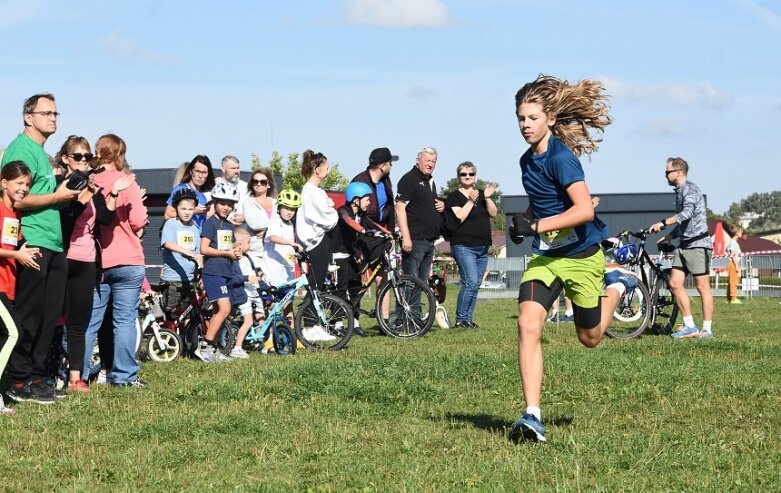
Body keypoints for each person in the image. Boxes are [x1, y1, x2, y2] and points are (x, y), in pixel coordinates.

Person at [507, 75, 635, 443]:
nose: (525, 125)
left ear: (549, 118)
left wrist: (537, 226)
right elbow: (541, 201)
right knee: (527, 324)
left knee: (590, 337)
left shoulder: (563, 159)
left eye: (532, 118)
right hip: (547, 259)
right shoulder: (525, 161)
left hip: (581, 256)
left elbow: (582, 209)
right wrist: (525, 223)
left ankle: (615, 288)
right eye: (520, 118)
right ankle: (532, 416)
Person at [2, 93, 80, 404]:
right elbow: (17, 198)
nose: (53, 118)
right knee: (30, 315)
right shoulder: (20, 149)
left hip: (53, 240)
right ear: (28, 117)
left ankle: (36, 378)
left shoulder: (41, 152)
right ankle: (19, 381)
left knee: (49, 317)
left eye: (56, 113)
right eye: (46, 112)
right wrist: (57, 198)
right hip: (32, 240)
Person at [55, 135, 133, 392]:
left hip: (87, 260)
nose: (83, 161)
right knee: (55, 320)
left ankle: (77, 378)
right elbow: (66, 219)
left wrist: (112, 193)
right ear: (66, 159)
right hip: (63, 258)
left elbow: (106, 219)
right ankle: (48, 373)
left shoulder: (92, 185)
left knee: (79, 322)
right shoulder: (59, 185)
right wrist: (83, 193)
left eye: (87, 157)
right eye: (77, 156)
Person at [82, 134, 147, 388]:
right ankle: (123, 376)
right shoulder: (127, 183)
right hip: (128, 260)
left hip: (97, 261)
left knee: (91, 321)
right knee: (124, 321)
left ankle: (79, 374)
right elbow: (139, 222)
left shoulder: (91, 182)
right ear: (120, 155)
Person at [648, 157, 714, 338]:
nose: (665, 176)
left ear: (678, 172)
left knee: (703, 288)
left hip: (698, 245)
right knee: (675, 283)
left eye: (667, 172)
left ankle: (707, 330)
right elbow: (685, 222)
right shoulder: (680, 192)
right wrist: (670, 235)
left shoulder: (690, 189)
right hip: (683, 245)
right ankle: (689, 326)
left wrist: (663, 223)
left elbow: (687, 214)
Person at [1, 162, 39, 412]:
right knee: (14, 333)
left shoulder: (15, 214)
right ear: (4, 183)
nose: (24, 188)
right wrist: (17, 256)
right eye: (19, 183)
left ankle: (1, 398)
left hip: (8, 285)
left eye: (27, 184)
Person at [332, 182, 390, 337]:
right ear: (356, 200)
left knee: (356, 288)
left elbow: (375, 225)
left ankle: (355, 322)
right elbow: (349, 222)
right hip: (339, 255)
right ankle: (337, 324)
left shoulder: (361, 216)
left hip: (352, 255)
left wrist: (388, 233)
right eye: (367, 199)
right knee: (341, 289)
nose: (369, 202)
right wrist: (364, 231)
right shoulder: (343, 211)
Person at [444, 161, 497, 329]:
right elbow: (459, 216)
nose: (467, 177)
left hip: (482, 247)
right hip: (463, 246)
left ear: (475, 176)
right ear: (458, 176)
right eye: (464, 174)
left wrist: (487, 198)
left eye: (471, 174)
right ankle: (460, 319)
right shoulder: (453, 196)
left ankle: (468, 319)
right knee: (470, 282)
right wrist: (470, 201)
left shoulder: (482, 194)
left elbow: (493, 213)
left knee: (476, 284)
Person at [197, 182, 246, 363]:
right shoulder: (211, 224)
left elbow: (229, 245)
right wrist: (226, 252)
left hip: (225, 272)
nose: (226, 207)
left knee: (220, 311)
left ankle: (214, 349)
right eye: (223, 203)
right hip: (213, 272)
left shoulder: (228, 225)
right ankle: (205, 347)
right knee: (225, 309)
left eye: (230, 204)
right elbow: (204, 248)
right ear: (215, 202)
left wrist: (236, 250)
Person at [351, 147, 397, 321]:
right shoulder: (360, 182)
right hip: (362, 235)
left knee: (382, 276)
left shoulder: (386, 181)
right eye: (390, 162)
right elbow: (355, 213)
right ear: (383, 165)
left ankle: (383, 319)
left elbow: (390, 208)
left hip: (380, 235)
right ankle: (353, 320)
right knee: (358, 277)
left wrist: (391, 233)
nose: (392, 165)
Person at [395, 146, 445, 288]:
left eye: (433, 161)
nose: (430, 164)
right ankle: (404, 310)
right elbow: (400, 208)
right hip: (415, 239)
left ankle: (415, 311)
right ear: (418, 160)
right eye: (427, 160)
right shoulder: (409, 179)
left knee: (422, 284)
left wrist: (441, 204)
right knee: (410, 281)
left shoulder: (430, 181)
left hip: (429, 240)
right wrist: (406, 237)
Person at [296, 149, 338, 291]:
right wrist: (334, 214)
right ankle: (309, 312)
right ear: (317, 169)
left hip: (319, 241)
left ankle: (309, 311)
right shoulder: (311, 191)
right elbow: (327, 216)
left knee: (318, 282)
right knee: (316, 284)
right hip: (316, 242)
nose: (328, 171)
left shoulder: (316, 191)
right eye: (326, 168)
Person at [160, 187, 203, 309]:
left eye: (190, 209)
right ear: (176, 209)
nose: (187, 212)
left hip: (190, 280)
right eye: (183, 209)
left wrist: (201, 271)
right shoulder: (171, 224)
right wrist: (188, 252)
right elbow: (167, 243)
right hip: (172, 280)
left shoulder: (195, 228)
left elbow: (198, 252)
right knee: (171, 315)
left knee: (188, 315)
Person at [229, 225, 261, 358]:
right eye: (248, 242)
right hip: (244, 294)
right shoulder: (235, 261)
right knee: (248, 321)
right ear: (240, 245)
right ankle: (237, 347)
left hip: (255, 292)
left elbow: (254, 273)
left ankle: (261, 343)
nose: (250, 244)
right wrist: (247, 277)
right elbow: (234, 278)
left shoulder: (248, 257)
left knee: (261, 319)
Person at [163, 155, 215, 230]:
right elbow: (168, 214)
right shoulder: (182, 189)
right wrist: (193, 211)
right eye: (197, 171)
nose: (200, 176)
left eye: (204, 172)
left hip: (199, 238)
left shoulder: (204, 195)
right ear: (191, 171)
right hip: (184, 236)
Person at [242, 167, 277, 259]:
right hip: (257, 253)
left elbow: (284, 224)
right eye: (255, 181)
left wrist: (267, 231)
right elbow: (255, 224)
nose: (258, 184)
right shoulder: (248, 203)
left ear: (269, 185)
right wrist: (275, 227)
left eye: (263, 182)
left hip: (276, 252)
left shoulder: (276, 203)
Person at [216, 155, 248, 224]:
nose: (236, 171)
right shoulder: (215, 186)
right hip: (220, 228)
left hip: (241, 229)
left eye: (238, 168)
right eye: (233, 168)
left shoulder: (247, 187)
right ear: (223, 169)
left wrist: (245, 217)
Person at [725, 224, 743, 304]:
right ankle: (733, 299)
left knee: (731, 281)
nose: (742, 233)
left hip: (730, 263)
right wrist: (736, 265)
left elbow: (727, 250)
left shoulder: (731, 242)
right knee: (734, 281)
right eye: (741, 232)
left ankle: (729, 298)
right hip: (733, 263)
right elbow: (733, 254)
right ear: (737, 233)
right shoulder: (733, 243)